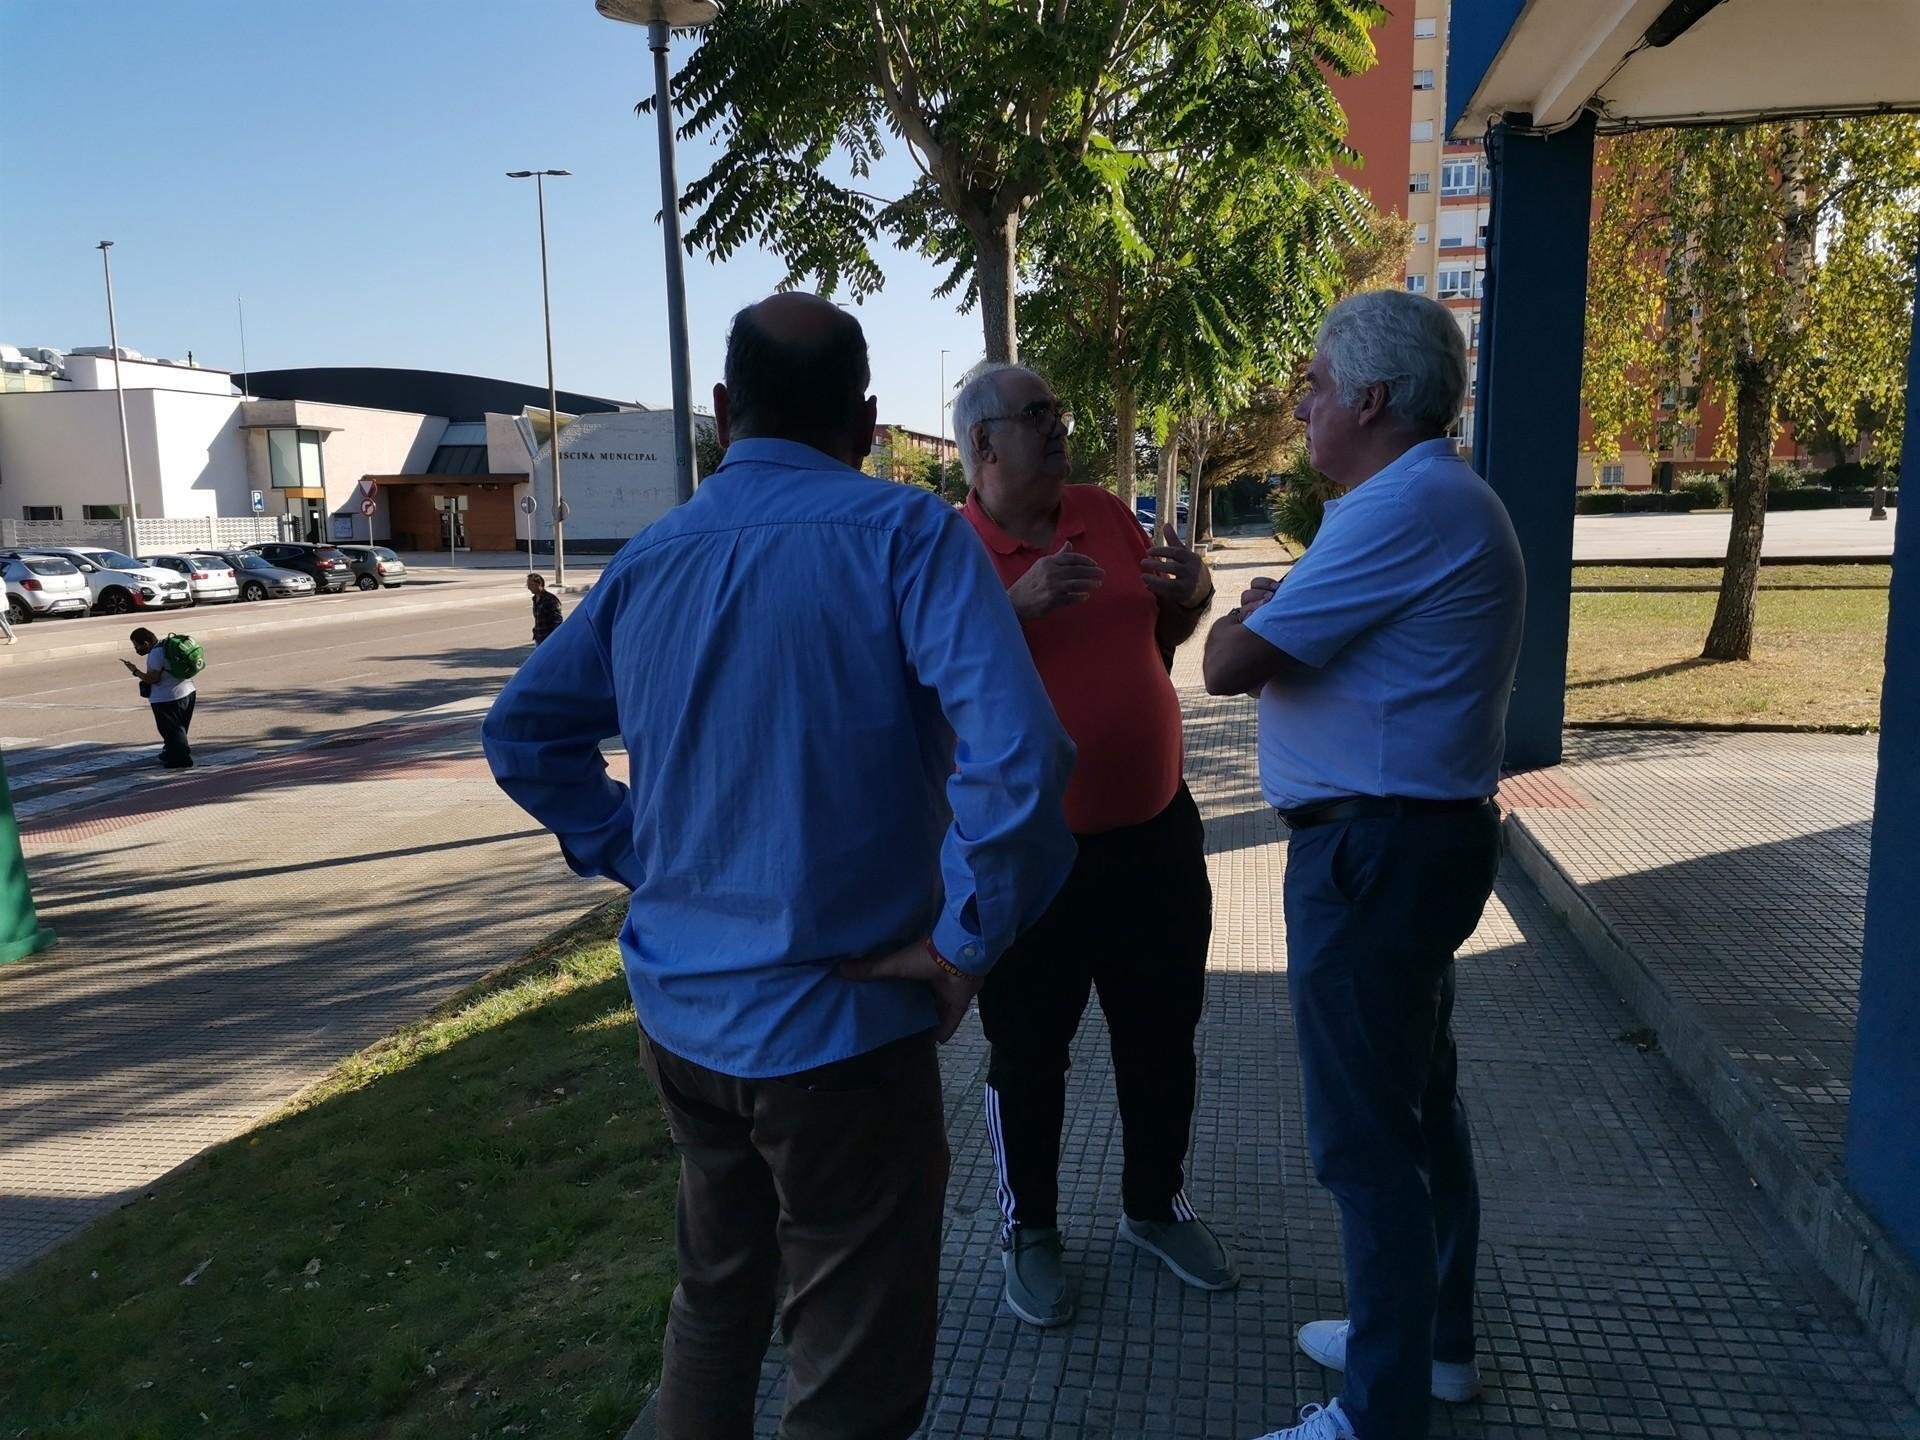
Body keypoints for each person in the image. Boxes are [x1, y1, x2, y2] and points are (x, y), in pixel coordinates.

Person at [482, 293, 1076, 1440]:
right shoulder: (909, 536)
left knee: (717, 1300)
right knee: (850, 1376)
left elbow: (524, 736)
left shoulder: (651, 559)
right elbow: (1025, 756)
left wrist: (640, 853)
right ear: (866, 422)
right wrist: (965, 941)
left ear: (721, 411)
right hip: (842, 1041)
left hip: (686, 1029)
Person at [1202, 290, 1524, 1440]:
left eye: (1319, 388)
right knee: (1415, 1104)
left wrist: (1255, 616)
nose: (1303, 408)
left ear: (1373, 400)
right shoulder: (1428, 500)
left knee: (1366, 1139)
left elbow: (1227, 665)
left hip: (1374, 856)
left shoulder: (1400, 506)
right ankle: (1429, 1343)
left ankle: (1379, 1413)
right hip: (1405, 846)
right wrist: (1282, 610)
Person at [951, 362, 1234, 1328]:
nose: (1058, 426)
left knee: (1163, 1039)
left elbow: (1159, 639)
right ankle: (1028, 1230)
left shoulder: (1107, 514)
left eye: (1059, 410)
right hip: (1030, 863)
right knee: (1029, 1057)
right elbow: (911, 682)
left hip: (1156, 838)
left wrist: (1194, 594)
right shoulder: (948, 550)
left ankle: (1156, 1207)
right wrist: (1011, 611)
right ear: (983, 444)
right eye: (1037, 414)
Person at [122, 627, 197, 770]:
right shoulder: (166, 646)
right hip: (188, 691)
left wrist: (135, 671)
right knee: (179, 729)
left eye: (137, 646)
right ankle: (170, 752)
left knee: (172, 730)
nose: (136, 649)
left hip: (168, 698)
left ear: (146, 643)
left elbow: (153, 679)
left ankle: (181, 760)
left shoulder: (156, 653)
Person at [527, 572, 563, 645]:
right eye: (527, 585)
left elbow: (558, 621)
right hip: (539, 638)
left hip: (549, 640)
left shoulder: (550, 599)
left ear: (539, 584)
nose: (528, 587)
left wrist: (553, 638)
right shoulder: (535, 599)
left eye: (530, 584)